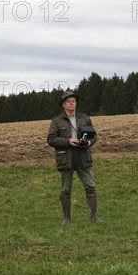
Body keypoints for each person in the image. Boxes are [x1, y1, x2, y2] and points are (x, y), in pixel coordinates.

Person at [47, 90, 101, 225]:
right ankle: (66, 219)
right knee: (66, 189)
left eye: (74, 101)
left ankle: (94, 216)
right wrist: (67, 141)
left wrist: (89, 142)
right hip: (66, 158)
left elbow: (94, 136)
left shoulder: (84, 118)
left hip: (83, 157)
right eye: (69, 101)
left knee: (91, 186)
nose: (72, 103)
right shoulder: (56, 121)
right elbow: (51, 139)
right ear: (64, 105)